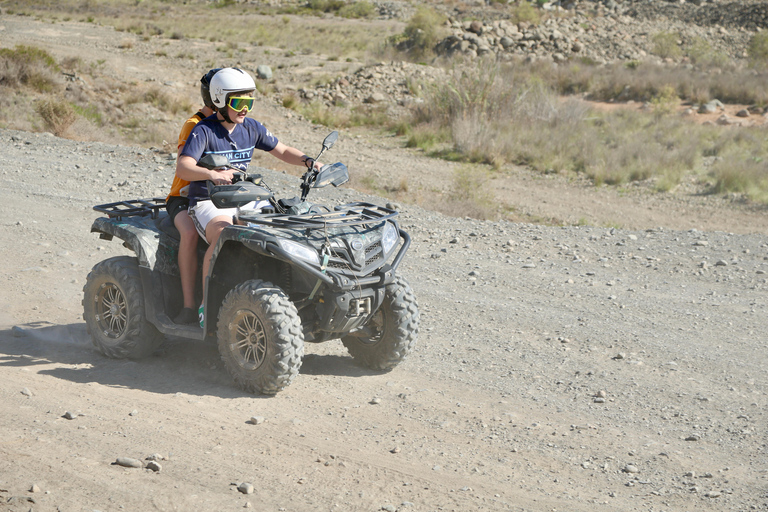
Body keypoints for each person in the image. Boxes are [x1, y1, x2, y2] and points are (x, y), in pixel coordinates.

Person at [175, 67, 322, 328]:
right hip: (209, 202)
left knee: (284, 226)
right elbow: (184, 167)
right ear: (220, 100)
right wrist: (211, 174)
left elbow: (282, 149)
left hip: (244, 197)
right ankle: (205, 306)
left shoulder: (251, 127)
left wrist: (307, 161)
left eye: (249, 102)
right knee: (223, 235)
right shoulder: (203, 130)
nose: (245, 109)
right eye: (239, 102)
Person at [166, 68, 221, 325]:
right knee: (189, 233)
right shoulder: (194, 124)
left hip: (217, 196)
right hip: (184, 195)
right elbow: (184, 166)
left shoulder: (229, 125)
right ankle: (189, 306)